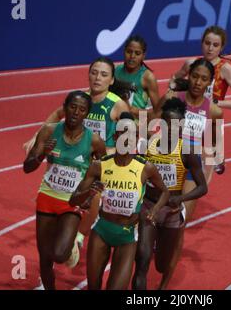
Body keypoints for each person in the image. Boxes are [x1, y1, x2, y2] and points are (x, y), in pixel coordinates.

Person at [23, 57, 130, 255]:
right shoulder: (79, 100)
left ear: (112, 80)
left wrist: (111, 153)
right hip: (71, 161)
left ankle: (79, 237)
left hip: (98, 163)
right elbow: (56, 115)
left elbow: (130, 136)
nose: (97, 78)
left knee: (93, 204)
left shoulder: (118, 105)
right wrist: (35, 137)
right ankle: (68, 243)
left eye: (104, 74)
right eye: (94, 73)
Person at [69, 112, 169, 290]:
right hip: (102, 230)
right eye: (122, 133)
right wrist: (89, 193)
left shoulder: (145, 168)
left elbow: (164, 192)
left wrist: (154, 211)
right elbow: (73, 200)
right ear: (115, 137)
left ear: (136, 138)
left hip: (127, 235)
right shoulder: (99, 165)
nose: (126, 138)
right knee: (94, 286)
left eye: (131, 134)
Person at [23, 91, 106, 290]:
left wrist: (91, 194)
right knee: (45, 258)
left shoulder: (94, 141)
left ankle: (72, 250)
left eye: (82, 109)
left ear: (87, 113)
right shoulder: (49, 131)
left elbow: (102, 172)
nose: (76, 112)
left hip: (72, 201)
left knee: (59, 255)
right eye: (72, 107)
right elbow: (27, 167)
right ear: (65, 107)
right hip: (47, 196)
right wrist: (41, 154)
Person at [132, 97, 208, 290]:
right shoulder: (148, 145)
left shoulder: (187, 151)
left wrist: (181, 198)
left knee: (161, 265)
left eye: (175, 124)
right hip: (149, 206)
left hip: (171, 212)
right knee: (142, 260)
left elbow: (202, 187)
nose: (171, 128)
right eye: (167, 123)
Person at [170, 25, 231, 174]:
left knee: (202, 175)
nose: (210, 48)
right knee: (179, 164)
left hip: (210, 123)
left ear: (221, 48)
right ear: (201, 43)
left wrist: (214, 102)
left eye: (215, 45)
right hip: (189, 119)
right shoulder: (191, 64)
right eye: (207, 43)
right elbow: (173, 81)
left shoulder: (225, 69)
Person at [158, 58, 222, 222]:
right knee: (158, 215)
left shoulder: (214, 111)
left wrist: (213, 157)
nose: (198, 82)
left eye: (204, 79)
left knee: (181, 219)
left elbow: (213, 140)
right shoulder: (172, 99)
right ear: (189, 76)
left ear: (210, 82)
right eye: (194, 76)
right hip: (167, 162)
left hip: (191, 165)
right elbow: (149, 121)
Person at [115, 35, 160, 120]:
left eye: (137, 53)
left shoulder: (148, 77)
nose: (132, 56)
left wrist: (133, 110)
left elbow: (158, 111)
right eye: (129, 51)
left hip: (137, 125)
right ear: (124, 51)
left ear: (143, 56)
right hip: (116, 120)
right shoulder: (116, 71)